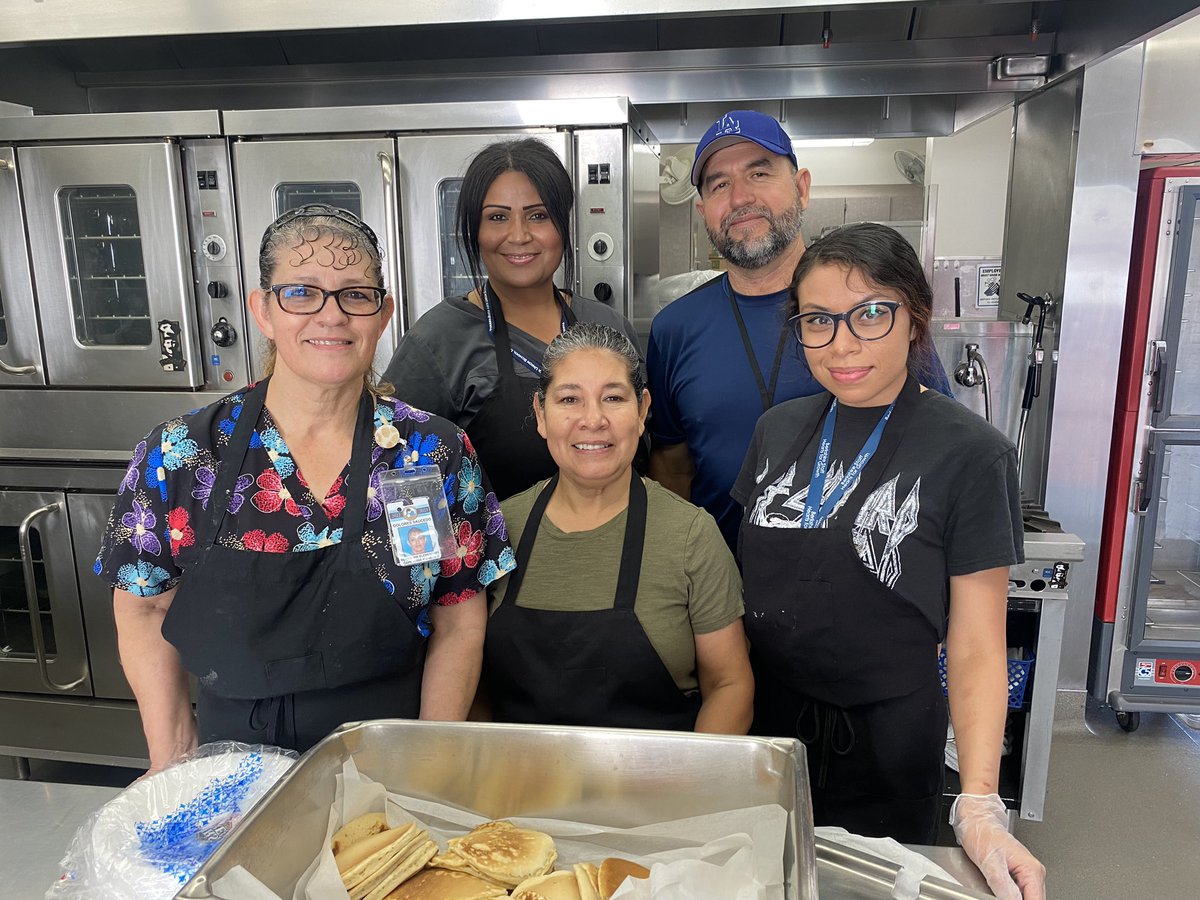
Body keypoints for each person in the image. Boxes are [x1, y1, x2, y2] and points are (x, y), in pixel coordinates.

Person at [97, 204, 513, 768]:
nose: (331, 315)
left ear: (383, 313)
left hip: (388, 750)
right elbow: (144, 611)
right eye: (301, 292)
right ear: (262, 310)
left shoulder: (427, 453)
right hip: (230, 762)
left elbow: (458, 615)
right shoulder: (181, 455)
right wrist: (172, 760)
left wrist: (429, 757)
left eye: (355, 295)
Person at [734, 224, 1045, 899]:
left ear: (915, 318)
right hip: (766, 735)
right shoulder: (776, 432)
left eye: (871, 313)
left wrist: (981, 804)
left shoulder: (972, 453)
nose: (843, 343)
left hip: (885, 744)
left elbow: (977, 644)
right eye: (819, 320)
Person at [647, 109, 951, 547]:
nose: (739, 199)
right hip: (721, 592)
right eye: (719, 184)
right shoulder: (674, 329)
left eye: (759, 173)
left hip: (860, 590)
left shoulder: (869, 310)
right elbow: (672, 469)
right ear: (703, 210)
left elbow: (939, 438)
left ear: (802, 188)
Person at [481, 323, 753, 733]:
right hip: (519, 786)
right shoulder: (498, 529)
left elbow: (730, 685)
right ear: (541, 414)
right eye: (570, 399)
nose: (593, 420)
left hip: (659, 785)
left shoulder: (690, 535)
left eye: (613, 398)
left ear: (642, 411)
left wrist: (687, 792)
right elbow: (471, 684)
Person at [384, 138, 641, 501]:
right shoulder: (439, 339)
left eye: (538, 216)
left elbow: (646, 452)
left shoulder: (606, 325)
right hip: (496, 555)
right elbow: (393, 473)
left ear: (562, 226)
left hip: (619, 549)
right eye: (497, 217)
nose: (518, 235)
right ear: (474, 230)